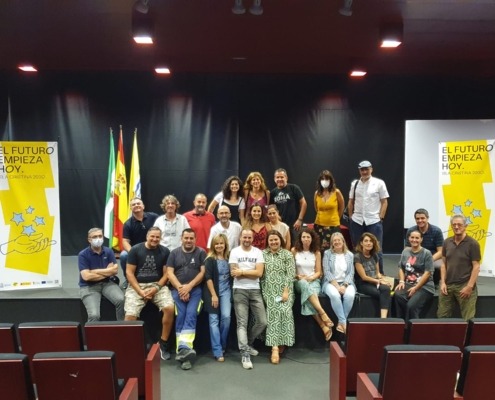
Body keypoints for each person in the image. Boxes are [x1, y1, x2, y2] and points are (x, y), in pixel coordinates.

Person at [124, 226, 174, 360]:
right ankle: (132, 347)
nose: (155, 239)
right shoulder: (135, 250)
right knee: (130, 316)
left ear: (161, 238)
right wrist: (140, 291)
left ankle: (163, 343)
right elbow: (129, 273)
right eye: (152, 236)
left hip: (157, 285)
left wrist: (156, 288)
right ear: (147, 236)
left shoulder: (165, 251)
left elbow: (167, 274)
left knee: (169, 308)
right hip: (137, 286)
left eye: (158, 237)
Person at [167, 229, 206, 370]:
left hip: (195, 290)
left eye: (191, 238)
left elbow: (202, 272)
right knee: (181, 315)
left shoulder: (201, 252)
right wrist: (181, 288)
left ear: (195, 239)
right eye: (186, 238)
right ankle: (184, 351)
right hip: (177, 290)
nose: (188, 240)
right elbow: (169, 273)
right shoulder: (174, 253)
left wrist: (189, 287)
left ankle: (183, 348)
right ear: (181, 238)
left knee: (191, 314)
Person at [229, 229, 267, 370]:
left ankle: (248, 343)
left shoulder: (258, 252)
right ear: (240, 238)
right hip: (239, 290)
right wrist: (249, 273)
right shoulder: (234, 252)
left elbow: (259, 273)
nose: (246, 239)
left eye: (249, 237)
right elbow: (234, 273)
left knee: (262, 322)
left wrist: (243, 272)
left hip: (255, 290)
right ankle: (245, 353)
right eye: (244, 237)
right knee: (242, 323)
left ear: (252, 238)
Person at [347, 160, 389, 274]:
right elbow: (351, 201)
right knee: (358, 249)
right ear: (359, 171)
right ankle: (358, 275)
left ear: (371, 169)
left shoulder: (379, 183)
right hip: (357, 221)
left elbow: (384, 202)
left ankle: (380, 274)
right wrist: (351, 217)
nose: (364, 172)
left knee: (377, 249)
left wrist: (381, 218)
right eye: (362, 169)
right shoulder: (355, 184)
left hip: (374, 221)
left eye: (367, 169)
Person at [292, 229, 333, 341]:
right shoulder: (294, 250)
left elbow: (319, 272)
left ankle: (323, 326)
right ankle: (322, 313)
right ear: (300, 238)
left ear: (312, 239)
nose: (306, 239)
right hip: (299, 281)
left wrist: (310, 278)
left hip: (313, 280)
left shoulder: (316, 252)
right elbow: (291, 270)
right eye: (304, 237)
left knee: (309, 295)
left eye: (308, 237)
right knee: (304, 285)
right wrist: (298, 276)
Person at [437, 214, 481, 320]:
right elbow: (444, 264)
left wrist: (469, 287)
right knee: (442, 318)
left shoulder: (473, 244)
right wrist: (443, 282)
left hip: (464, 285)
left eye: (459, 224)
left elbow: (476, 267)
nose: (456, 227)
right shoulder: (447, 242)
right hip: (447, 286)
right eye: (454, 224)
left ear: (465, 226)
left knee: (468, 319)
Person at [262, 230, 296, 364]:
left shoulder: (287, 254)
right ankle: (274, 348)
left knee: (285, 311)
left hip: (285, 289)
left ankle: (281, 341)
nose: (273, 242)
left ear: (280, 240)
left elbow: (290, 274)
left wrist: (286, 291)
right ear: (267, 242)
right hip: (268, 289)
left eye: (276, 239)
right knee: (273, 312)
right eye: (271, 240)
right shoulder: (263, 254)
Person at [78, 227, 124, 322]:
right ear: (89, 240)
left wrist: (93, 271)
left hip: (107, 283)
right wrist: (107, 271)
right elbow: (86, 276)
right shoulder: (83, 254)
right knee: (94, 315)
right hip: (89, 287)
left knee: (121, 300)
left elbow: (115, 271)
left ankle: (121, 327)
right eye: (95, 237)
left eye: (100, 236)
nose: (98, 239)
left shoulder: (108, 251)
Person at [394, 230, 434, 322]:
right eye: (412, 237)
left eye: (417, 238)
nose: (414, 240)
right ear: (408, 238)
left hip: (425, 286)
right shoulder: (405, 251)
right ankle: (401, 323)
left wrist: (416, 288)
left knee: (411, 306)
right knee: (398, 295)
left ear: (421, 239)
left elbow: (428, 273)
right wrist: (401, 281)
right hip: (409, 283)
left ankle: (414, 327)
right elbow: (401, 267)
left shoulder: (426, 253)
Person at [203, 233, 232, 362]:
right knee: (213, 320)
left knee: (226, 317)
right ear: (213, 245)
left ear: (225, 244)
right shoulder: (209, 260)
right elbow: (208, 278)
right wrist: (214, 295)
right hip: (212, 292)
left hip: (226, 291)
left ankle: (223, 345)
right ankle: (217, 350)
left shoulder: (229, 258)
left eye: (221, 243)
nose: (219, 246)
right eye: (217, 244)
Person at [120, 197, 159, 288]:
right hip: (136, 250)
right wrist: (133, 252)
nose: (136, 205)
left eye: (138, 203)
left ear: (143, 206)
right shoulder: (128, 224)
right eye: (133, 204)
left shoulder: (154, 217)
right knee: (123, 255)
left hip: (154, 247)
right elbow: (125, 241)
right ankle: (128, 279)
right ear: (130, 208)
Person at [322, 232, 356, 334]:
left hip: (346, 283)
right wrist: (337, 286)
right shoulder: (327, 254)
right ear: (332, 243)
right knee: (334, 295)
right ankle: (343, 322)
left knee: (350, 295)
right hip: (330, 282)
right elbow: (327, 271)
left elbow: (351, 272)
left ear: (343, 241)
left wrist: (344, 285)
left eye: (339, 240)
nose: (337, 242)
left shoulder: (350, 255)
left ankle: (341, 323)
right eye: (334, 241)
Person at [354, 232, 392, 318]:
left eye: (371, 241)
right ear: (361, 243)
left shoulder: (375, 255)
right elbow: (364, 277)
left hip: (375, 282)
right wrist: (379, 281)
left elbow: (377, 273)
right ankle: (385, 319)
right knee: (384, 296)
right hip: (363, 284)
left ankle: (383, 318)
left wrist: (383, 280)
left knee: (386, 289)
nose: (369, 243)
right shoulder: (357, 257)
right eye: (366, 241)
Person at [405, 208, 444, 285]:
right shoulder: (411, 231)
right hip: (415, 256)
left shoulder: (436, 231)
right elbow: (407, 248)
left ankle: (435, 284)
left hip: (433, 257)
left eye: (422, 218)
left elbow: (441, 251)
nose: (420, 220)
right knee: (404, 264)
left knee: (438, 266)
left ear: (427, 218)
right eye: (417, 219)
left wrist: (428, 260)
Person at [270, 168, 307, 243]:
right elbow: (272, 208)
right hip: (281, 225)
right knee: (283, 245)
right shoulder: (273, 193)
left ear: (286, 178)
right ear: (274, 179)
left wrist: (299, 219)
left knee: (297, 245)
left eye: (282, 177)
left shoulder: (294, 188)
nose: (279, 179)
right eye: (277, 177)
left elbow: (303, 203)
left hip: (295, 224)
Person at [314, 170, 344, 252]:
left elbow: (341, 207)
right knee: (319, 248)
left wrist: (336, 217)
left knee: (333, 248)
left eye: (327, 179)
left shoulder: (336, 192)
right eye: (322, 179)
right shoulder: (317, 193)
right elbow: (316, 208)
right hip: (319, 225)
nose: (324, 181)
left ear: (331, 180)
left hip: (333, 225)